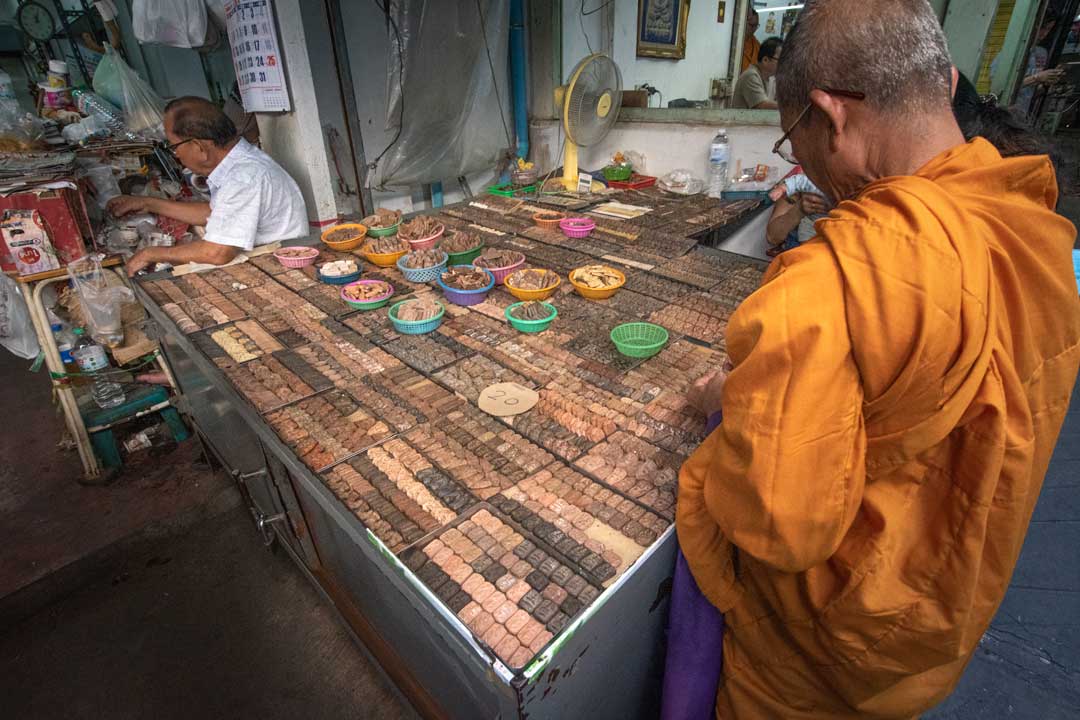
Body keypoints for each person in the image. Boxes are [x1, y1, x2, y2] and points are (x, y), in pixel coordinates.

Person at [672, 1, 1080, 719]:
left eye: (794, 143)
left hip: (811, 669)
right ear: (947, 83)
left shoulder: (829, 284)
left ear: (832, 115)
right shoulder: (1038, 235)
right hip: (936, 630)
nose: (802, 168)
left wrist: (727, 401)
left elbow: (778, 524)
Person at [109, 97, 307, 276]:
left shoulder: (243, 177)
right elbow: (215, 212)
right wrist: (147, 204)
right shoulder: (236, 163)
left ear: (199, 147)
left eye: (174, 146)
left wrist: (151, 254)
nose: (175, 154)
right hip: (269, 260)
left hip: (284, 266)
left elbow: (218, 252)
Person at [1016, 15, 1064, 118]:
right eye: (1042, 27)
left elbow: (1033, 92)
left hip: (1022, 113)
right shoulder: (1014, 50)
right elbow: (1002, 88)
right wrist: (1037, 77)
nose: (1044, 33)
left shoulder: (1041, 53)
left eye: (1048, 29)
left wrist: (1046, 81)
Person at [731, 37, 781, 109]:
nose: (783, 64)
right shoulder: (750, 75)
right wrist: (790, 107)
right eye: (780, 60)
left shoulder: (770, 78)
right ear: (765, 60)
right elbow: (762, 105)